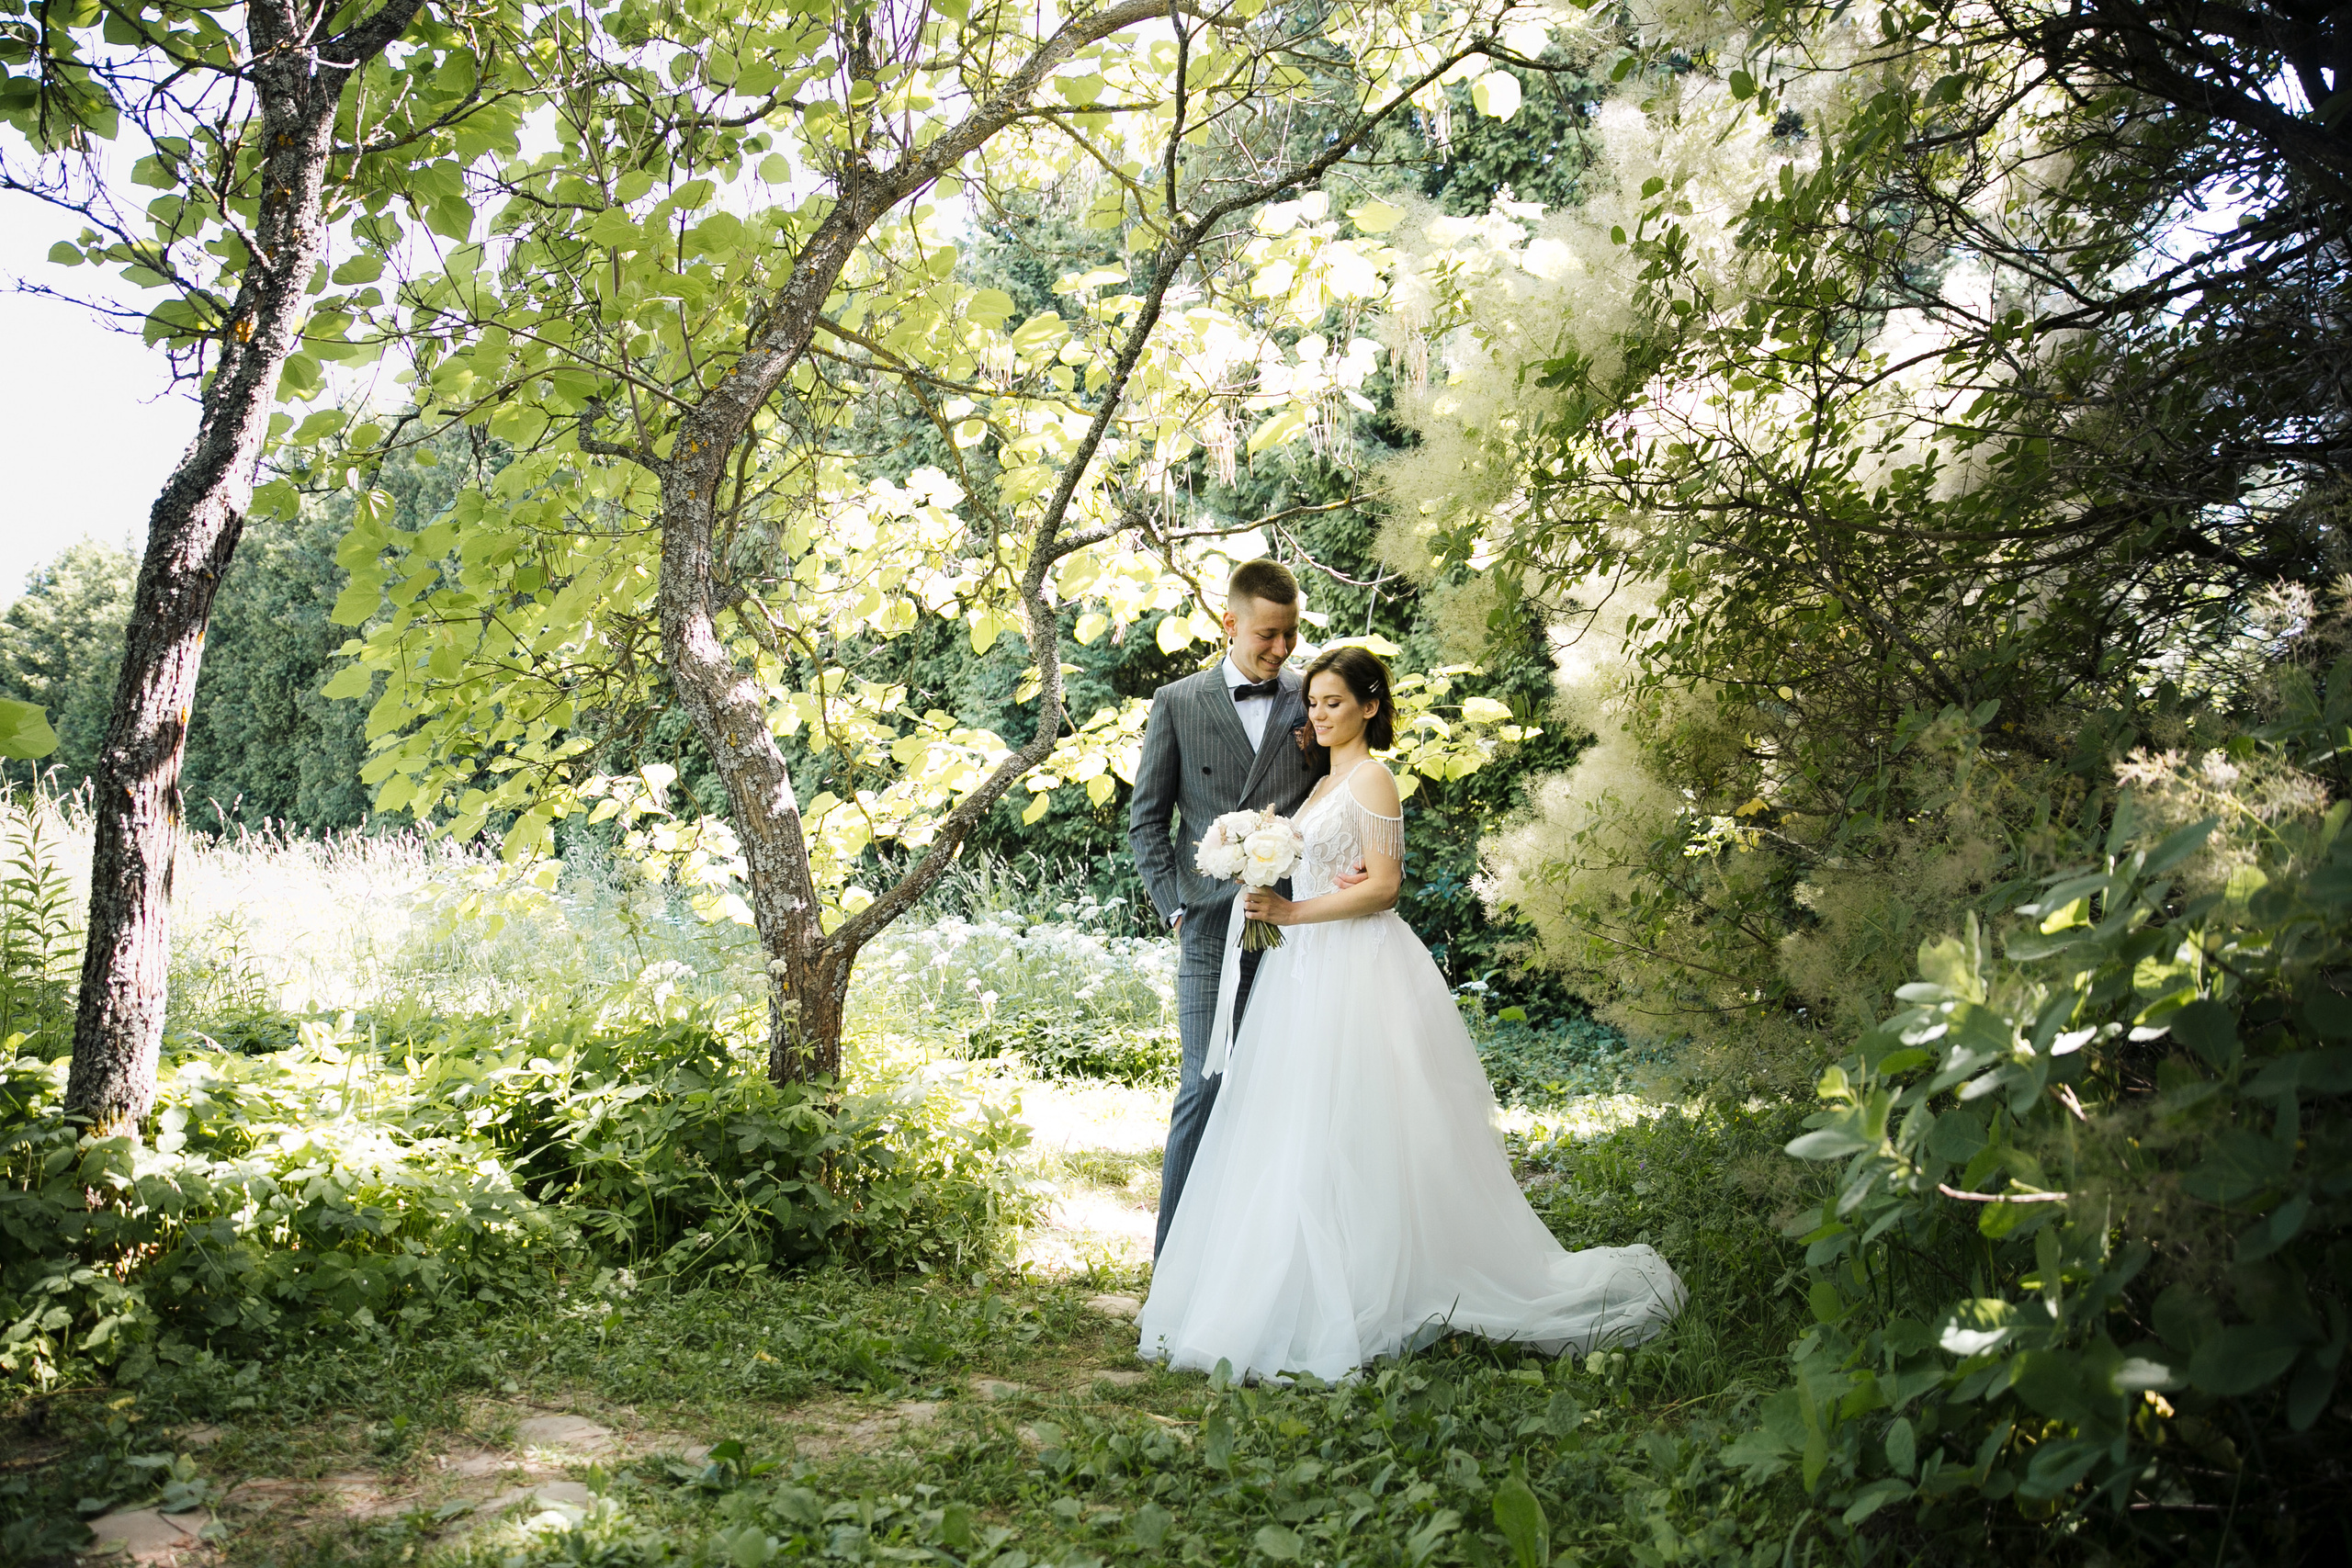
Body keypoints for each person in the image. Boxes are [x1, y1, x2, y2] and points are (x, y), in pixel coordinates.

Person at [1136, 645, 1687, 1383]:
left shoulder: (1372, 778)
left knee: (1358, 1124)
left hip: (1355, 966)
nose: (1319, 714)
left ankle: (1368, 1284)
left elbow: (1386, 887)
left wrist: (1293, 910)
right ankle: (1295, 1280)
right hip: (1306, 970)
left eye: (1334, 702)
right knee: (1300, 1126)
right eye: (1314, 702)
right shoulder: (1326, 781)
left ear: (1369, 705)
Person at [1127, 559, 1330, 1258]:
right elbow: (1146, 820)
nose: (1281, 651)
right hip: (1210, 929)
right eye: (1268, 636)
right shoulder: (1178, 701)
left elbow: (1343, 798)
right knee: (1204, 1085)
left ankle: (1263, 1264)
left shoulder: (1314, 699)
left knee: (1287, 1091)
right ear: (1230, 623)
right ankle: (1173, 1268)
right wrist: (1174, 907)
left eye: (1291, 636)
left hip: (1296, 930)